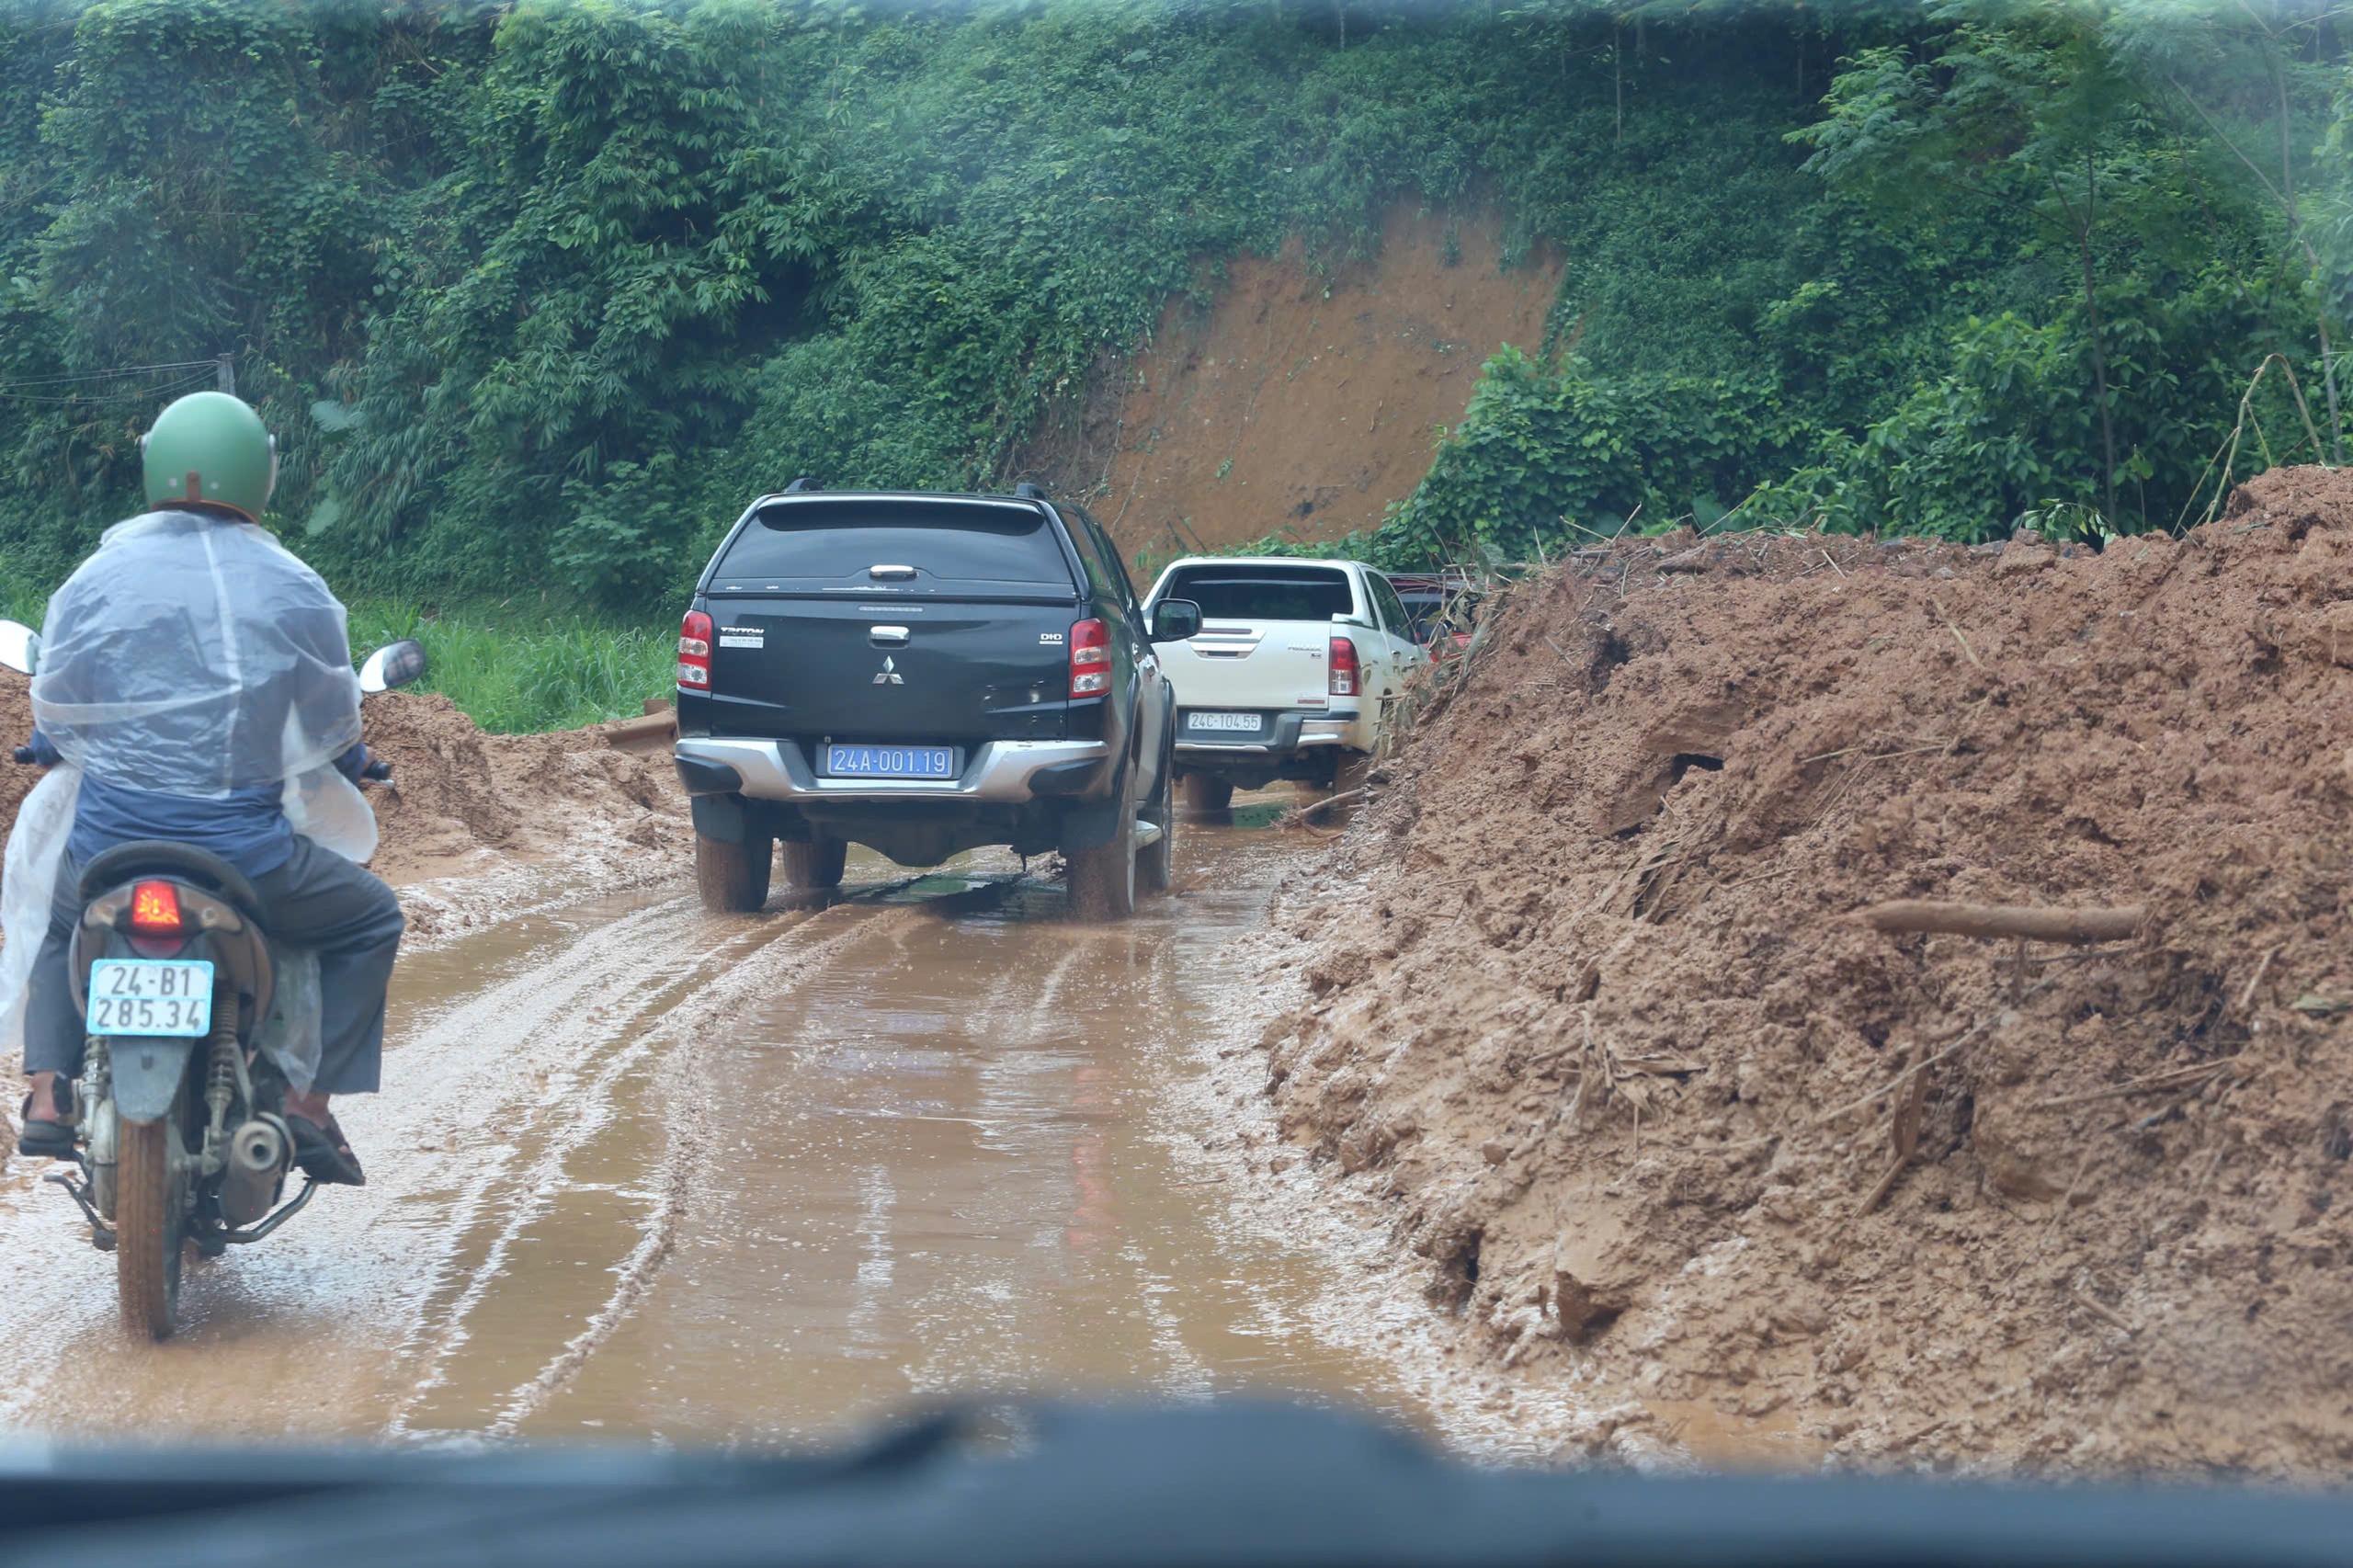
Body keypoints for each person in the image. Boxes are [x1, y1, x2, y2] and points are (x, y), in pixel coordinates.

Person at [4, 392, 402, 1185]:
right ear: (261, 472)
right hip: (244, 861)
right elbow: (330, 715)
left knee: (60, 913)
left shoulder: (98, 575)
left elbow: (63, 695)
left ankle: (49, 1095)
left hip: (112, 852)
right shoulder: (295, 585)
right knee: (372, 918)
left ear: (154, 463)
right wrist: (354, 763)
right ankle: (308, 1107)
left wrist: (48, 742)